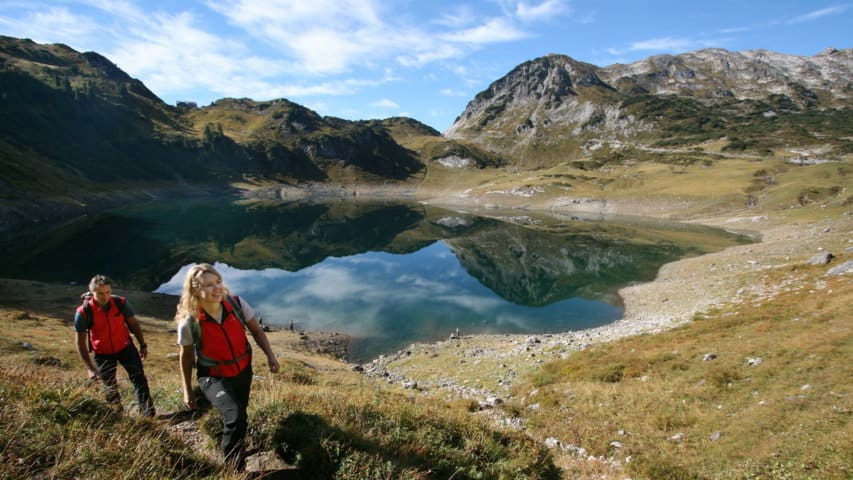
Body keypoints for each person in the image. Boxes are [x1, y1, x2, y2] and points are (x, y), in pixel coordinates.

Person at [175, 263, 280, 470]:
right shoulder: (189, 323)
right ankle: (232, 469)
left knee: (240, 414)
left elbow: (257, 331)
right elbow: (186, 357)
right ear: (195, 290)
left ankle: (235, 449)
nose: (217, 288)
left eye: (218, 282)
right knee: (236, 416)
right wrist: (188, 390)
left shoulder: (237, 304)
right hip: (212, 376)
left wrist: (271, 357)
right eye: (208, 285)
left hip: (242, 370)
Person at [74, 274, 155, 417]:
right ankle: (118, 417)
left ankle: (148, 415)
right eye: (100, 293)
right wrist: (90, 367)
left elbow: (134, 324)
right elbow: (80, 343)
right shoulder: (84, 312)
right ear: (92, 292)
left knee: (139, 379)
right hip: (102, 352)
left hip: (125, 347)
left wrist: (143, 345)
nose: (105, 296)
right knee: (109, 386)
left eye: (108, 292)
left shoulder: (120, 303)